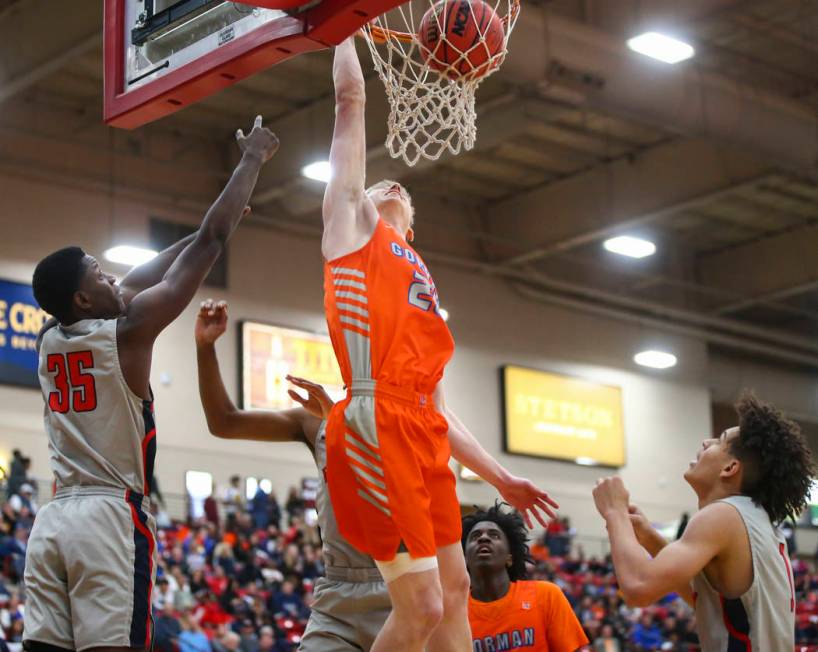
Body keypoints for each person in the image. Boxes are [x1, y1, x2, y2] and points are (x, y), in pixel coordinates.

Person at [321, 37, 558, 652]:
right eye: (381, 185)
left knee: (453, 593)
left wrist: (501, 478)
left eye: (404, 191)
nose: (391, 184)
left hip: (423, 431)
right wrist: (342, 29)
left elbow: (442, 413)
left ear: (414, 226)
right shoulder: (350, 230)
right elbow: (349, 99)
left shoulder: (421, 278)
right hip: (376, 418)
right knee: (422, 604)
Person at [24, 115, 278, 652]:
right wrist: (251, 160)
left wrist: (221, 220)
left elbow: (156, 268)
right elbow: (207, 243)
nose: (113, 276)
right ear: (83, 300)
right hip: (109, 520)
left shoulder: (51, 334)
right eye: (99, 272)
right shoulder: (129, 331)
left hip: (53, 523)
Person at [194, 299, 556, 651]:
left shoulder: (412, 412)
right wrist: (205, 348)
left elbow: (438, 423)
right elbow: (224, 422)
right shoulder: (315, 414)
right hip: (339, 594)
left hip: (406, 589)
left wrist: (502, 480)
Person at [593, 392, 815, 651]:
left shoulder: (724, 515)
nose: (705, 442)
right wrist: (648, 538)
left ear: (730, 468)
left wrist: (614, 512)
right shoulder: (756, 521)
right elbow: (706, 598)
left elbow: (638, 588)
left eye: (718, 441)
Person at [463, 503, 588, 652]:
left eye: (494, 535)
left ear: (510, 557)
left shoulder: (546, 595)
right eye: (475, 536)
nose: (483, 538)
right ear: (464, 558)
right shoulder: (454, 614)